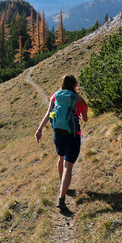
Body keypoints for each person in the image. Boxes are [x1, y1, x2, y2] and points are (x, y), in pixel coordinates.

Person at [35, 74, 88, 209]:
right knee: (68, 166)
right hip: (73, 134)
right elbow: (85, 119)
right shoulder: (79, 99)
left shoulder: (55, 96)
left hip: (58, 133)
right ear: (75, 85)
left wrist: (39, 130)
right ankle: (61, 198)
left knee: (61, 157)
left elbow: (48, 113)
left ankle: (61, 184)